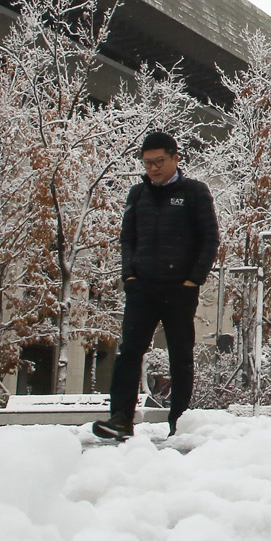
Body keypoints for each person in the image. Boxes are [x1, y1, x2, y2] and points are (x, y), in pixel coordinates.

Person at [95, 131, 219, 441]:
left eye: (159, 161)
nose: (153, 168)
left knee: (181, 355)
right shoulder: (138, 195)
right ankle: (121, 419)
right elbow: (128, 238)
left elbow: (209, 239)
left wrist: (194, 280)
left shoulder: (195, 193)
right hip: (142, 288)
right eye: (147, 162)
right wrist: (129, 276)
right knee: (129, 353)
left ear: (176, 158)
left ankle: (179, 422)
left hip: (180, 288)